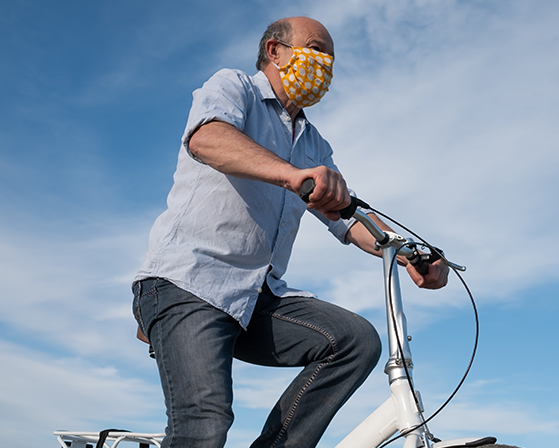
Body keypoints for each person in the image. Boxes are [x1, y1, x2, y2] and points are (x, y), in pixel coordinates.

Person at [131, 16, 449, 448]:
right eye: (316, 50)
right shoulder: (235, 87)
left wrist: (414, 254)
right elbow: (207, 139)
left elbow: (348, 217)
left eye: (331, 59)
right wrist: (291, 175)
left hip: (256, 298)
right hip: (189, 282)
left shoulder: (313, 143)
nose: (325, 65)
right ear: (274, 51)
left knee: (355, 341)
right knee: (205, 421)